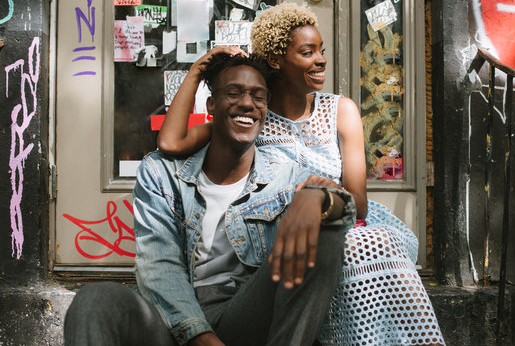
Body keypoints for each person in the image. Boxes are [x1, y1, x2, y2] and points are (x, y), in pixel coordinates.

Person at [158, 2, 445, 346]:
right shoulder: (252, 117)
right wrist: (198, 69)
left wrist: (317, 200)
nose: (321, 60)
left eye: (321, 50)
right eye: (308, 52)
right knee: (345, 246)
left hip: (343, 219)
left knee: (372, 243)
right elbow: (171, 142)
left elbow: (360, 204)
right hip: (276, 235)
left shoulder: (341, 110)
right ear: (277, 60)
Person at [64, 53, 357, 346]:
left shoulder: (284, 173)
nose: (247, 103)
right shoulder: (161, 173)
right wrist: (200, 337)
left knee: (324, 229)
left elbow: (345, 209)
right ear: (211, 105)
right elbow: (160, 267)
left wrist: (320, 199)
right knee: (94, 299)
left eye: (258, 96)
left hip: (242, 313)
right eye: (233, 92)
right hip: (173, 320)